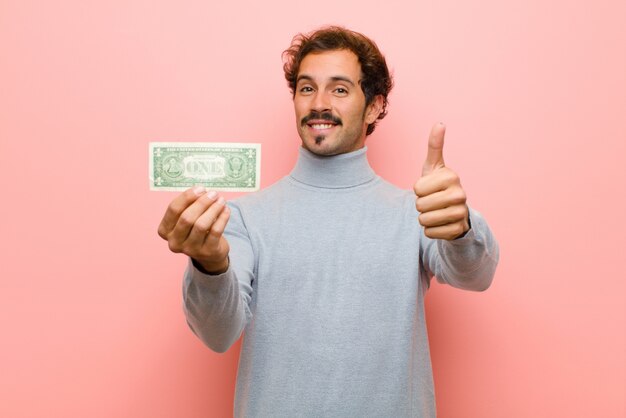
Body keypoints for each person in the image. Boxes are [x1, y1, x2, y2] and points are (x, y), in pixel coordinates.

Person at [158, 26, 499, 417]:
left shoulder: (418, 212)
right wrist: (209, 265)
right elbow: (217, 334)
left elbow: (477, 276)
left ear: (373, 106)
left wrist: (461, 228)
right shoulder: (243, 219)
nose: (319, 103)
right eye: (306, 88)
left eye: (339, 89)